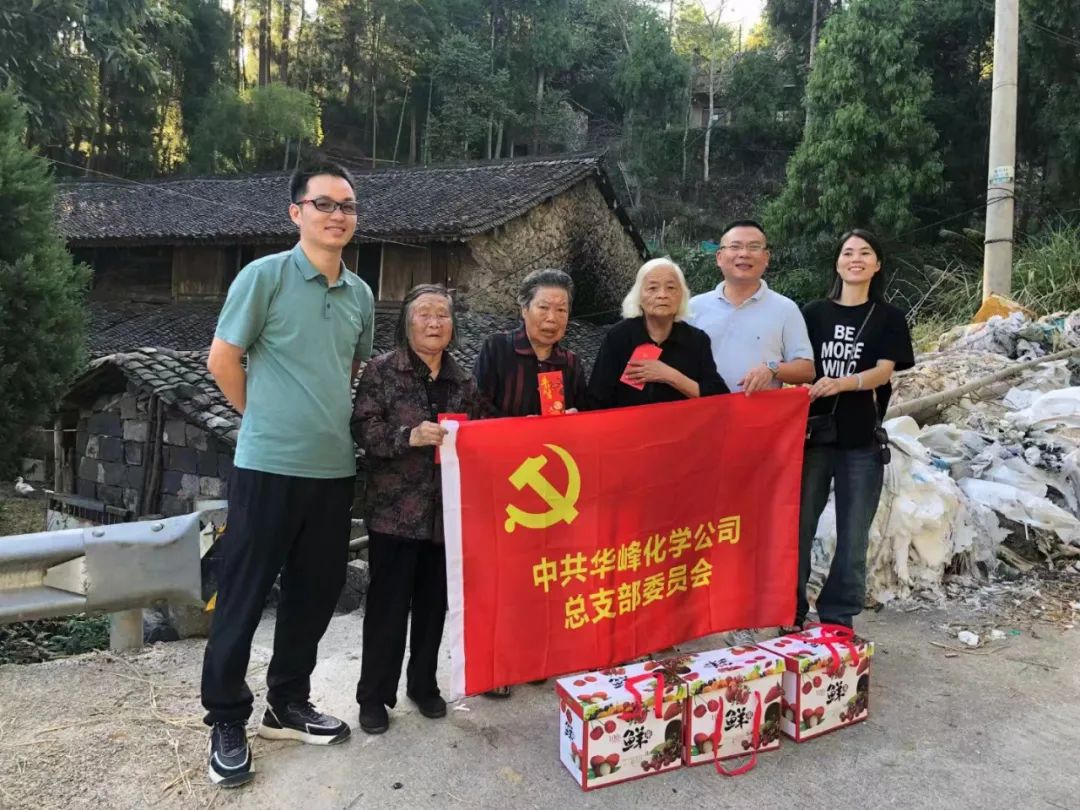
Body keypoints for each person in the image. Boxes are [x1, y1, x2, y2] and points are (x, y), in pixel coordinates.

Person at [201, 164, 374, 788]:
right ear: (296, 212)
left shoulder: (360, 295)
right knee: (244, 592)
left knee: (314, 593)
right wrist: (263, 417)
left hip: (333, 469)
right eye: (324, 203)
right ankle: (226, 718)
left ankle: (287, 703)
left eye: (347, 206)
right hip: (267, 466)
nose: (338, 215)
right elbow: (222, 359)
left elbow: (349, 371)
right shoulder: (265, 276)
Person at [352, 284, 487, 735]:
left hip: (445, 516)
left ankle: (423, 684)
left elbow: (487, 431)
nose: (434, 323)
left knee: (433, 606)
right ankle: (374, 696)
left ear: (453, 325)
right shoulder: (381, 371)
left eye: (442, 315)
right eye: (424, 314)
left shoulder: (463, 381)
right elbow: (363, 428)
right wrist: (407, 436)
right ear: (407, 322)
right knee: (387, 609)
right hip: (394, 512)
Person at [472, 267, 587, 696]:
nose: (552, 318)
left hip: (552, 490)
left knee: (543, 576)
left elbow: (588, 421)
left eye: (562, 309)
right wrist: (523, 431)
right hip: (502, 484)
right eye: (543, 307)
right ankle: (495, 666)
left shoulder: (570, 364)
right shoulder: (497, 349)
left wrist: (575, 421)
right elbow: (477, 408)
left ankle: (535, 656)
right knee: (499, 577)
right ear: (523, 309)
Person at [797, 229, 914, 630]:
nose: (856, 259)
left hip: (861, 439)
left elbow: (884, 372)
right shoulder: (813, 314)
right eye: (848, 252)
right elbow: (799, 366)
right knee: (798, 526)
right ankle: (789, 609)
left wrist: (841, 383)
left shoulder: (889, 317)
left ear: (877, 265)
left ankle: (837, 614)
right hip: (812, 437)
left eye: (865, 253)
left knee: (853, 533)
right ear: (837, 262)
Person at [688, 220, 815, 395]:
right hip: (704, 409)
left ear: (766, 257)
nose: (744, 254)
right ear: (719, 257)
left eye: (754, 247)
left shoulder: (786, 309)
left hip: (759, 411)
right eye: (735, 246)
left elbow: (807, 370)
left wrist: (771, 368)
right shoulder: (694, 307)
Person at [588, 258, 728, 409]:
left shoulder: (697, 340)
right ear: (639, 296)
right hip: (628, 423)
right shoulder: (618, 337)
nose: (662, 295)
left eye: (671, 288)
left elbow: (720, 397)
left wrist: (671, 376)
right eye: (652, 288)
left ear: (682, 295)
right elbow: (597, 398)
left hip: (681, 422)